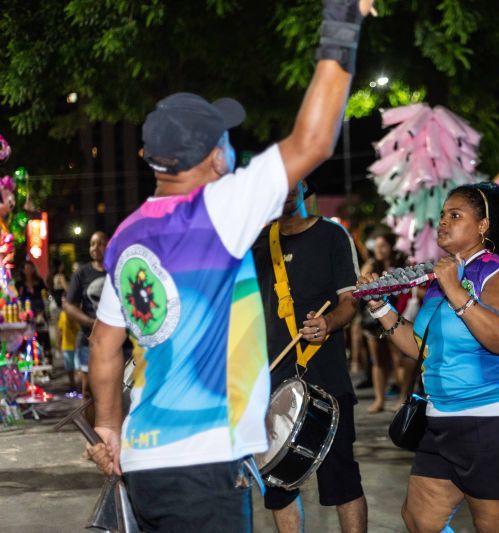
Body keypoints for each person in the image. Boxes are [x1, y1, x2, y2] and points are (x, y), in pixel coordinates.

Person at [83, 2, 374, 530]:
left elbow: (105, 346)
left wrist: (107, 429)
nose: (233, 149)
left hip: (144, 462)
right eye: (227, 139)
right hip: (204, 464)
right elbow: (314, 142)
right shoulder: (220, 209)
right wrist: (343, 20)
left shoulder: (126, 237)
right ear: (214, 156)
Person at [360, 182, 499, 533]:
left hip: (497, 421)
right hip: (442, 420)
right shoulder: (440, 278)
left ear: (483, 226)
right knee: (420, 520)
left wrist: (456, 291)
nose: (443, 222)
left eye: (456, 215)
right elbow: (423, 348)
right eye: (443, 215)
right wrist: (380, 308)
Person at [251, 179, 366, 533]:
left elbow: (350, 302)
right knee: (277, 484)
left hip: (326, 379)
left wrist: (328, 323)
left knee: (341, 480)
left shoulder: (332, 236)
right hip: (270, 380)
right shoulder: (257, 245)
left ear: (304, 185)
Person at [359, 231, 412, 413]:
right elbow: (359, 286)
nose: (379, 250)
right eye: (377, 246)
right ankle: (379, 399)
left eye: (383, 246)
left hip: (398, 315)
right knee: (378, 360)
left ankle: (403, 397)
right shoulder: (371, 265)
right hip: (374, 319)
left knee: (399, 358)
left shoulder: (401, 265)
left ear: (391, 247)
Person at [64, 231, 108, 405]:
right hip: (88, 340)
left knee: (116, 388)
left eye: (100, 243)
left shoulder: (117, 272)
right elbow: (69, 306)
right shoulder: (82, 274)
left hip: (117, 340)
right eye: (92, 243)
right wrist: (90, 322)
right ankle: (91, 431)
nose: (95, 247)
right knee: (88, 390)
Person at [57, 298, 80, 393]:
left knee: (78, 369)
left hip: (77, 345)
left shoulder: (76, 313)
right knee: (70, 368)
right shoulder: (62, 315)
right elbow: (59, 331)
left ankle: (80, 387)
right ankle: (72, 386)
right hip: (66, 345)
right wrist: (59, 344)